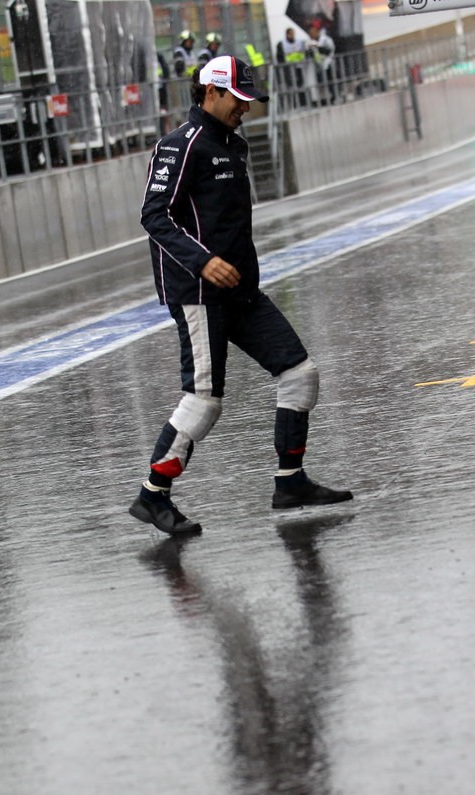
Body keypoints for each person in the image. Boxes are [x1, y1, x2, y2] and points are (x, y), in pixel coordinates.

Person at [130, 55, 353, 535]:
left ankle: (290, 482)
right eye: (239, 99)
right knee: (204, 401)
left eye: (250, 101)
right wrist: (202, 261)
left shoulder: (233, 143)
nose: (246, 109)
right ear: (211, 93)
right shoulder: (179, 146)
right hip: (198, 293)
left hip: (241, 291)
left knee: (300, 374)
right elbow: (154, 215)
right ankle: (153, 494)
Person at [276, 27, 308, 110]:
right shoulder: (282, 44)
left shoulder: (299, 42)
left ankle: (302, 104)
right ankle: (294, 104)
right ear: (287, 34)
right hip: (288, 69)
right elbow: (280, 57)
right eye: (291, 33)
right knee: (291, 87)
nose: (293, 35)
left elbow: (304, 52)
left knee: (300, 85)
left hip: (299, 67)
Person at [308, 21, 337, 106]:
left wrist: (318, 47)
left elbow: (329, 51)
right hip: (319, 66)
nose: (311, 36)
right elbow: (313, 54)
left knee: (330, 82)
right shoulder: (312, 42)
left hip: (328, 63)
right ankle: (322, 100)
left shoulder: (326, 40)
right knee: (321, 83)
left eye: (312, 33)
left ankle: (334, 97)